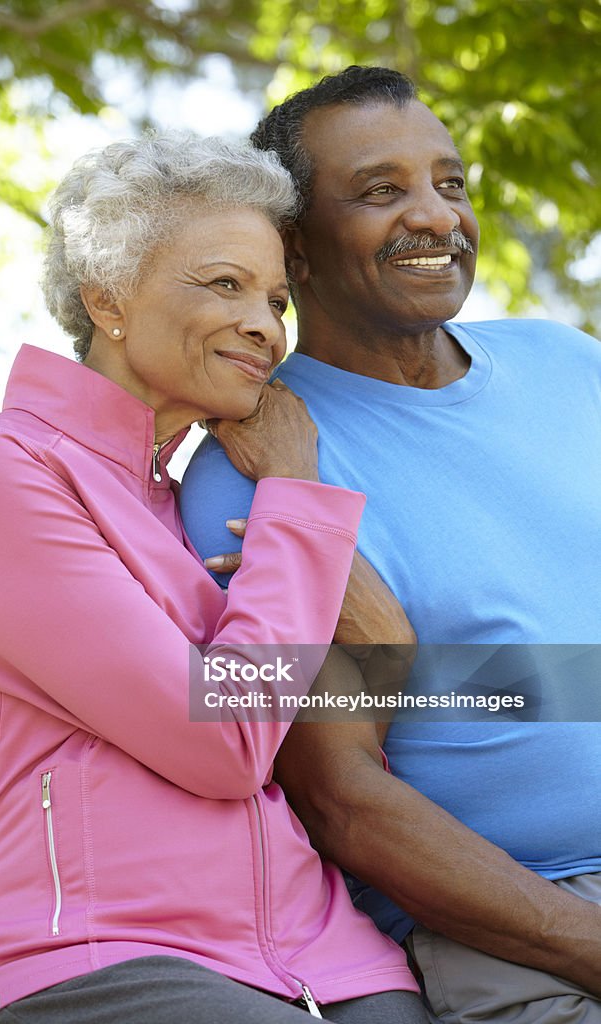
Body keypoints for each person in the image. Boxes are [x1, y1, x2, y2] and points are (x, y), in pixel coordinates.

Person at [0, 131, 427, 1024]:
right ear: (106, 298)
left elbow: (338, 722)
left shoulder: (201, 503)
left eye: (275, 298)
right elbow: (225, 738)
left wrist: (382, 637)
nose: (264, 325)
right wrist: (298, 498)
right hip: (88, 957)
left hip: (332, 961)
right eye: (223, 285)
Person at [179, 66, 601, 1022]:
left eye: (448, 183)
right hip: (519, 937)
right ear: (292, 245)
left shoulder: (569, 365)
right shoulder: (256, 473)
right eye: (380, 191)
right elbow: (341, 802)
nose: (433, 217)